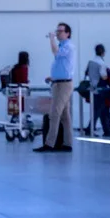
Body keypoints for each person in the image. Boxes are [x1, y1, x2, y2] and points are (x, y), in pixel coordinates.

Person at [35, 23, 76, 153]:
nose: (58, 33)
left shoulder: (68, 46)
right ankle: (67, 143)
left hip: (63, 85)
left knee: (54, 113)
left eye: (60, 31)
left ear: (67, 33)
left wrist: (51, 39)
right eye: (57, 31)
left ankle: (50, 144)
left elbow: (55, 53)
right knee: (65, 116)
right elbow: (64, 67)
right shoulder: (63, 46)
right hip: (59, 82)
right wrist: (53, 77)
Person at [85, 44, 110, 138]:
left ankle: (107, 130)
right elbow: (103, 76)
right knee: (99, 110)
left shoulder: (91, 62)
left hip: (92, 88)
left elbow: (87, 73)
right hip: (101, 89)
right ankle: (91, 129)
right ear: (103, 52)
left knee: (101, 110)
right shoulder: (101, 63)